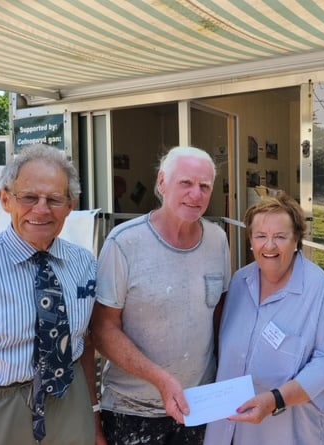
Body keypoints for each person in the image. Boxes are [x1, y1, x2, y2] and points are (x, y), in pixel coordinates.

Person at [91, 146, 231, 445]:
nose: (196, 194)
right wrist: (161, 379)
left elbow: (220, 313)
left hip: (198, 406)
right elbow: (102, 330)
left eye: (204, 186)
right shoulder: (123, 243)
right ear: (162, 182)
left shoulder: (218, 240)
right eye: (186, 183)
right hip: (133, 411)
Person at [0, 143, 102, 445]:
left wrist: (93, 412)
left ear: (70, 206)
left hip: (70, 400)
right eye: (29, 197)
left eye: (55, 199)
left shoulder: (85, 263)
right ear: (6, 200)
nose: (41, 209)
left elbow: (84, 342)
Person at [204, 192, 324, 445]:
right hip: (227, 429)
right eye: (261, 236)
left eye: (280, 237)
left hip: (284, 432)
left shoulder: (319, 290)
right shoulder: (240, 282)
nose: (269, 246)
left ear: (296, 240)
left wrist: (276, 399)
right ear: (250, 240)